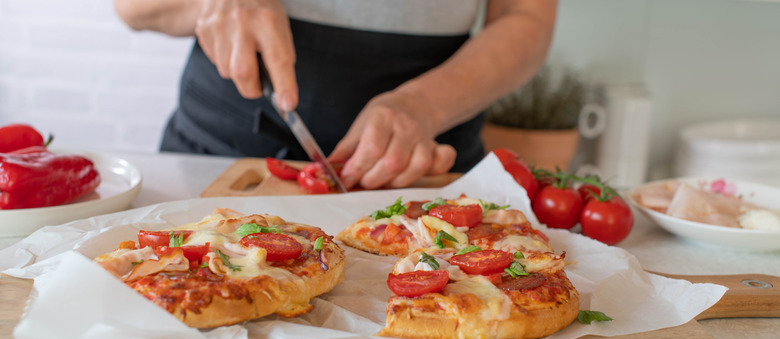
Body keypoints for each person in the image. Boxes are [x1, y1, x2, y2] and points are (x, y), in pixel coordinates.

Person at [113, 0, 558, 190]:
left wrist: (423, 105)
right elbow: (133, 7)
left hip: (424, 158)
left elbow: (527, 19)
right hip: (218, 156)